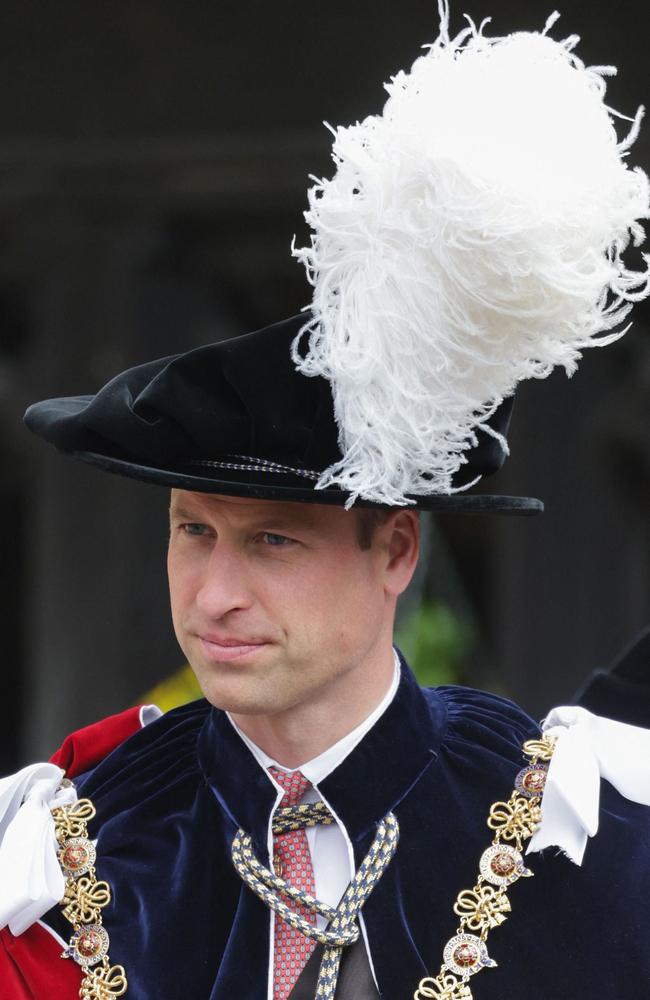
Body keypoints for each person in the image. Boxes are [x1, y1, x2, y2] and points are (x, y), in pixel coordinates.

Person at [2, 7, 650, 1000]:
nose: (213, 593)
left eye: (269, 541)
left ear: (395, 549)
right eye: (191, 532)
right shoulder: (62, 853)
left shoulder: (580, 839)